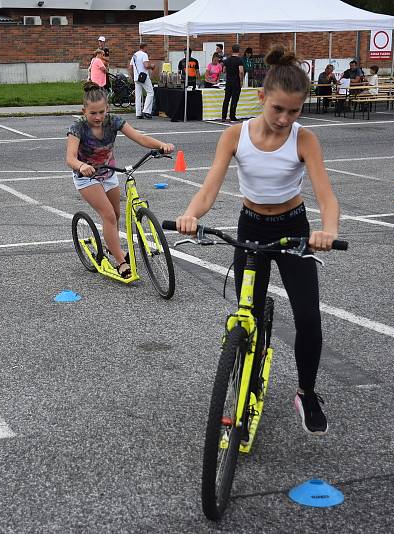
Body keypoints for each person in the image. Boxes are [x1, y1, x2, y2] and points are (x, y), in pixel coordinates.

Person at [172, 46, 341, 436]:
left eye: (294, 111)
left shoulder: (305, 140)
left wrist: (327, 230)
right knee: (247, 314)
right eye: (278, 109)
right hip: (251, 228)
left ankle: (306, 392)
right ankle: (245, 390)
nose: (284, 119)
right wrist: (191, 215)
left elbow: (327, 197)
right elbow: (210, 188)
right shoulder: (235, 135)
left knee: (308, 319)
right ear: (261, 98)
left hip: (293, 228)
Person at [66, 82, 174, 278]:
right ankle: (120, 261)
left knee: (115, 216)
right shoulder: (78, 128)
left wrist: (161, 145)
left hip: (108, 173)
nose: (98, 117)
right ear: (84, 111)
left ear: (107, 108)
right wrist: (82, 166)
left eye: (101, 112)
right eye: (93, 113)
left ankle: (109, 245)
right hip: (86, 177)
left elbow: (139, 138)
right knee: (108, 215)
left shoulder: (113, 121)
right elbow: (70, 158)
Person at [129, 43, 155, 120]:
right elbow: (146, 65)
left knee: (138, 95)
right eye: (147, 48)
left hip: (136, 77)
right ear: (145, 47)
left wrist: (132, 76)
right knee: (150, 92)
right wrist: (152, 66)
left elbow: (130, 67)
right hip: (143, 76)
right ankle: (146, 111)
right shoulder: (144, 54)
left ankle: (138, 113)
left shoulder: (134, 55)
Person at [222, 44, 245, 122]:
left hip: (228, 81)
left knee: (226, 99)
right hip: (236, 81)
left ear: (232, 50)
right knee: (234, 99)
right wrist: (241, 81)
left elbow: (224, 70)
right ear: (239, 50)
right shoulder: (239, 60)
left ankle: (223, 116)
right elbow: (241, 71)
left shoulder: (227, 60)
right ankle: (232, 116)